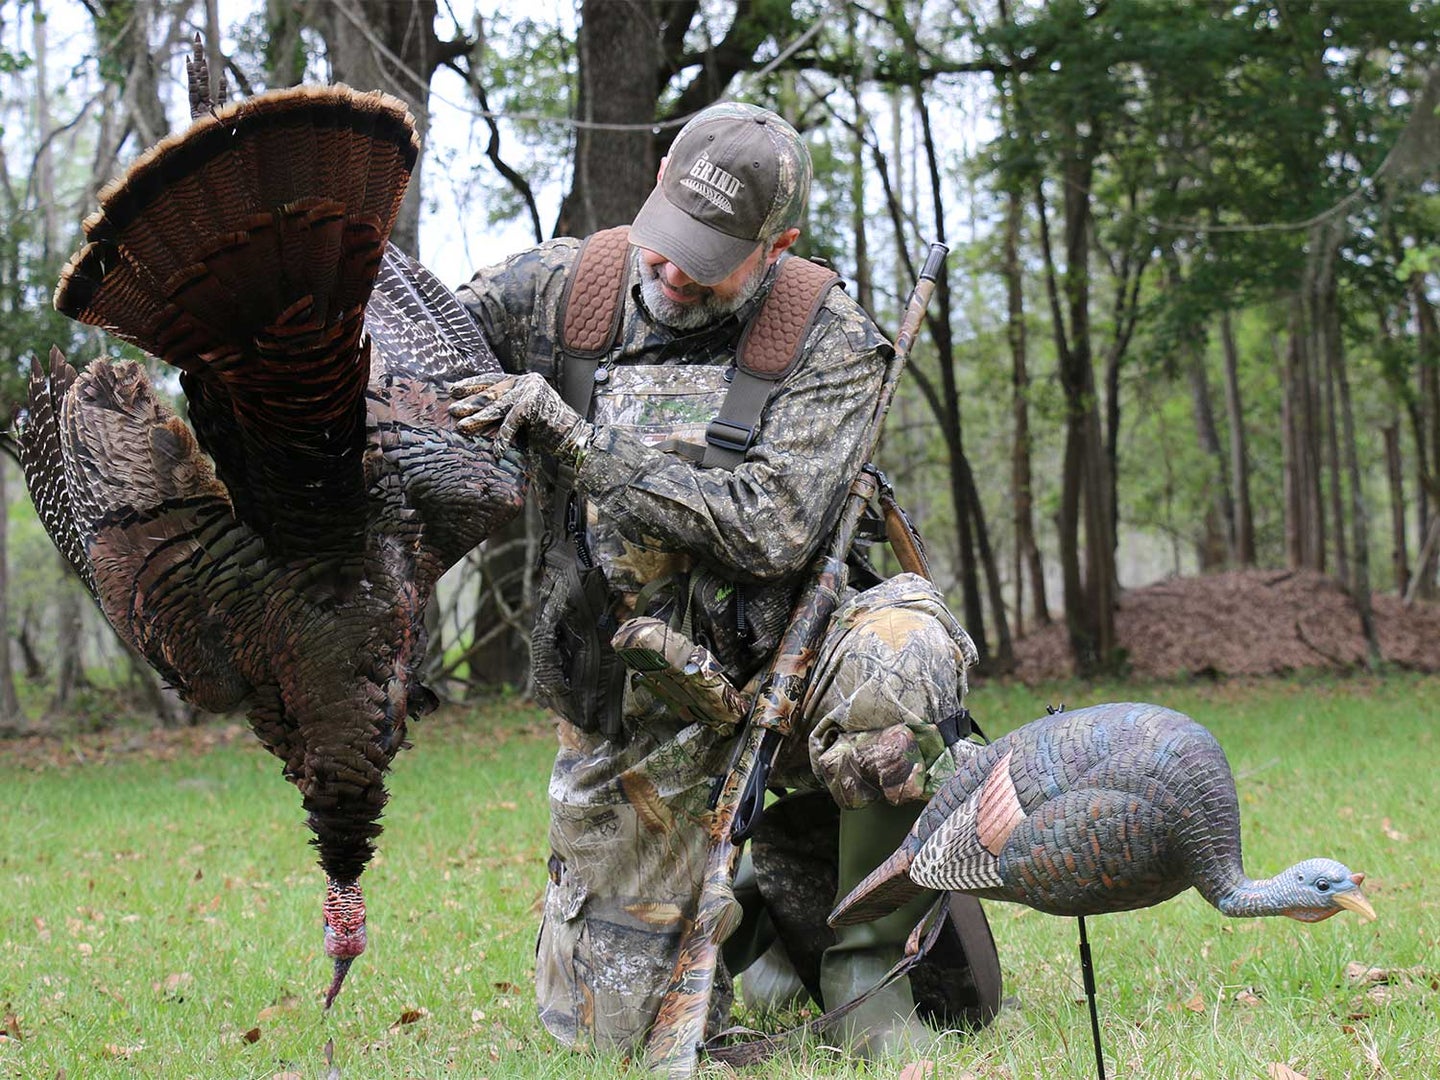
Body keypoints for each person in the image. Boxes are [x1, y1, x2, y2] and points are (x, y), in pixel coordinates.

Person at [449, 101, 996, 1057]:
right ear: (653, 183)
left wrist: (579, 446)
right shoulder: (559, 287)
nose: (668, 272)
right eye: (664, 240)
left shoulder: (827, 338)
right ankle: (763, 900)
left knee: (906, 647)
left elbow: (771, 525)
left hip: (791, 667)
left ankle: (863, 966)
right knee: (612, 1038)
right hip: (632, 705)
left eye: (704, 259)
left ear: (775, 246)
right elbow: (412, 338)